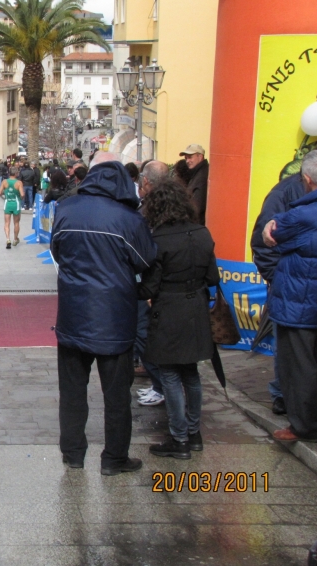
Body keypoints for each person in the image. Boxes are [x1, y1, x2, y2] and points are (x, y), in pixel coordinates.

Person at [50, 152, 157, 475]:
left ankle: (73, 453)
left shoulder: (66, 210)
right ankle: (114, 458)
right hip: (115, 319)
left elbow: (57, 250)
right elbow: (146, 260)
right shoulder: (129, 220)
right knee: (116, 396)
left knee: (71, 392)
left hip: (72, 316)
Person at [139, 180, 219, 459]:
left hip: (169, 309)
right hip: (196, 307)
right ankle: (194, 433)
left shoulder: (159, 239)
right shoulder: (203, 233)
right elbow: (213, 277)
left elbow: (149, 286)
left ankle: (179, 437)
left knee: (170, 374)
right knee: (191, 373)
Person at [262, 148, 317, 443]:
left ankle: (304, 426)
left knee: (299, 367)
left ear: (307, 178)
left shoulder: (300, 215)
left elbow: (270, 235)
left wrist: (270, 228)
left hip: (300, 302)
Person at [249, 169, 306, 416]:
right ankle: (282, 394)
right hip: (288, 284)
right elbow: (263, 242)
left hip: (310, 285)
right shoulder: (284, 192)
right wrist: (277, 277)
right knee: (285, 342)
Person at [133, 160, 170, 407]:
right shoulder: (169, 205)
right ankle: (159, 385)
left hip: (152, 283)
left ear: (146, 181)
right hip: (155, 282)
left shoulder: (154, 210)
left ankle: (162, 386)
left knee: (143, 334)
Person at [179, 144, 209, 224]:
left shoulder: (202, 176)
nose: (187, 161)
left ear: (200, 156)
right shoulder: (198, 173)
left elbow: (197, 208)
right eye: (186, 158)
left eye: (190, 157)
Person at [0, 166, 24, 249]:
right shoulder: (19, 183)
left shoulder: (4, 182)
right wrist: (20, 197)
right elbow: (22, 195)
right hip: (16, 204)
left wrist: (6, 193)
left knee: (7, 223)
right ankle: (15, 239)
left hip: (7, 203)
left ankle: (8, 239)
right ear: (16, 173)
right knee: (16, 223)